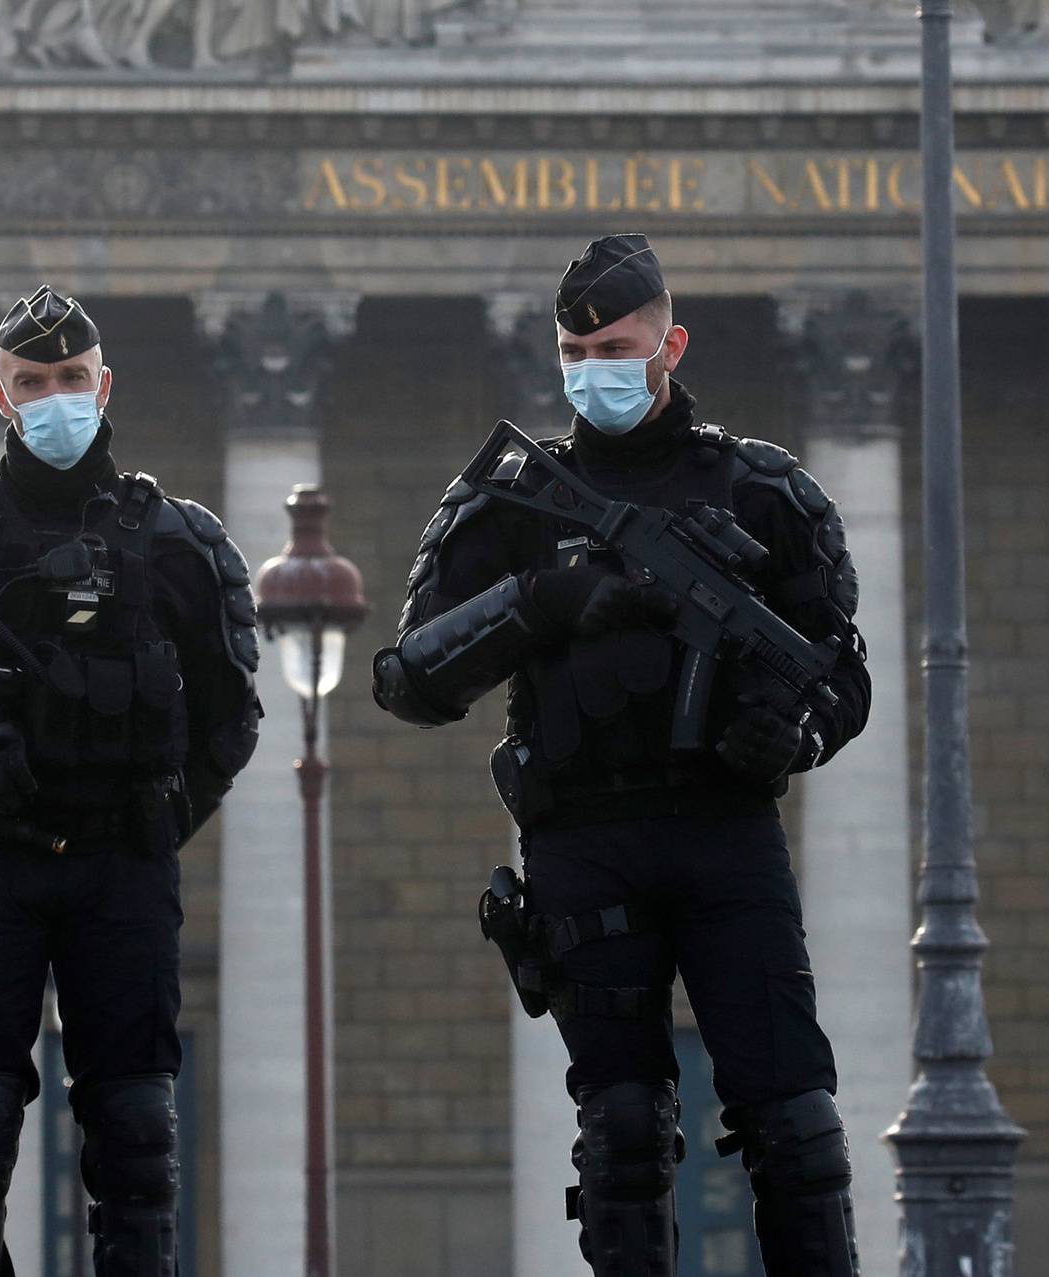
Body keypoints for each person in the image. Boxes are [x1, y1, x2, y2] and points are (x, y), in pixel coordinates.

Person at [372, 234, 871, 1277]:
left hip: (727, 833)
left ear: (670, 343)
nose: (594, 364)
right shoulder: (509, 501)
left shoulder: (764, 492)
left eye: (616, 344)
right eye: (575, 347)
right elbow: (409, 678)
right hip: (583, 841)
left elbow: (842, 670)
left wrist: (799, 730)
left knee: (797, 1123)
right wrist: (540, 603)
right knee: (622, 1133)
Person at [0, 285, 261, 1277]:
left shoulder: (179, 543)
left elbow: (231, 712)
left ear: (104, 385)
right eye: (33, 382)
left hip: (122, 861)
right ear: (0, 396)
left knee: (136, 1135)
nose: (55, 398)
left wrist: (161, 817)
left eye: (71, 379)